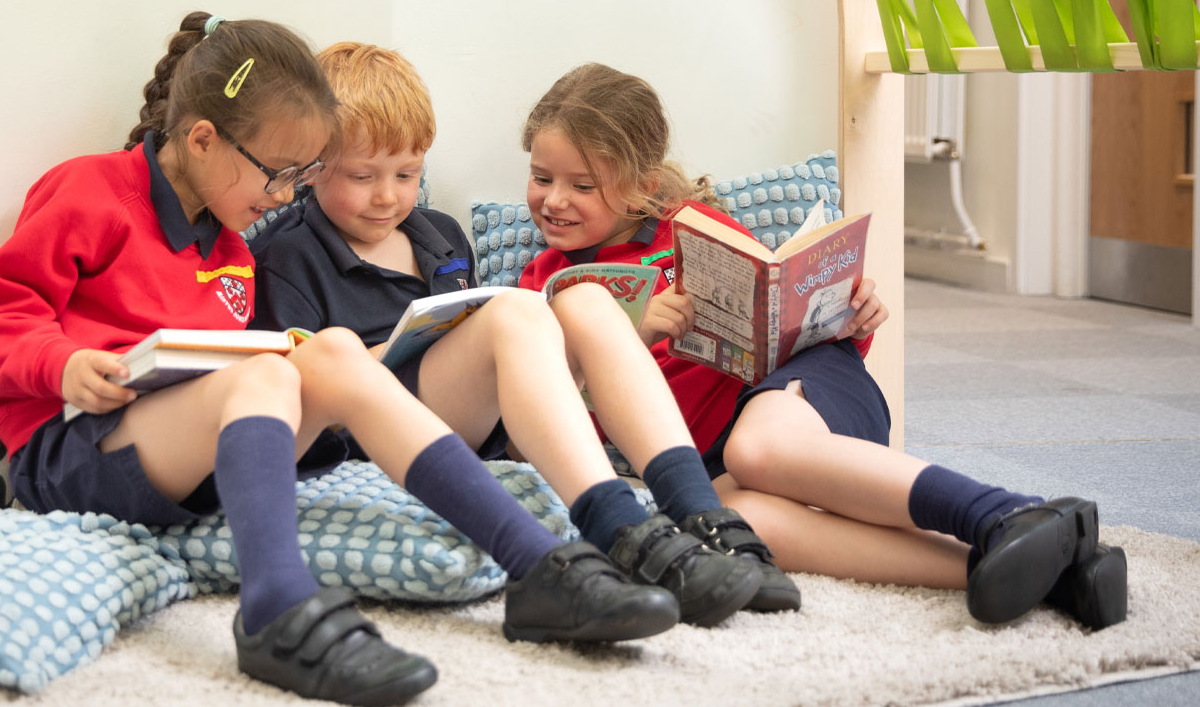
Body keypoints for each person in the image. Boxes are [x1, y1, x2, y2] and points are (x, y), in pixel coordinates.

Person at [0, 18, 681, 707]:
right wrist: (63, 365)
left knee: (332, 351)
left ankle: (535, 565)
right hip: (74, 447)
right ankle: (275, 609)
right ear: (201, 140)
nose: (283, 197)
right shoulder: (89, 191)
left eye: (299, 177)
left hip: (179, 449)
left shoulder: (229, 249)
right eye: (277, 175)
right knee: (265, 372)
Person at [512, 63, 1127, 630]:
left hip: (799, 392)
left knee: (759, 448)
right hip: (705, 463)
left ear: (641, 185)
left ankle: (1002, 512)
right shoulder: (542, 282)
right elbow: (547, 417)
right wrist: (636, 334)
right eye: (542, 178)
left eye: (582, 185)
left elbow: (780, 311)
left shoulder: (691, 229)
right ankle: (1045, 571)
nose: (554, 200)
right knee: (734, 526)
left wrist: (852, 316)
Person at [250, 42, 799, 627]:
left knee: (584, 300)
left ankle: (702, 518)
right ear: (313, 169)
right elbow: (302, 386)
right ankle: (619, 530)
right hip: (370, 428)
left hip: (476, 423)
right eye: (363, 176)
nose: (388, 195)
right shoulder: (288, 256)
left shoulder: (437, 234)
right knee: (517, 311)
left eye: (408, 174)